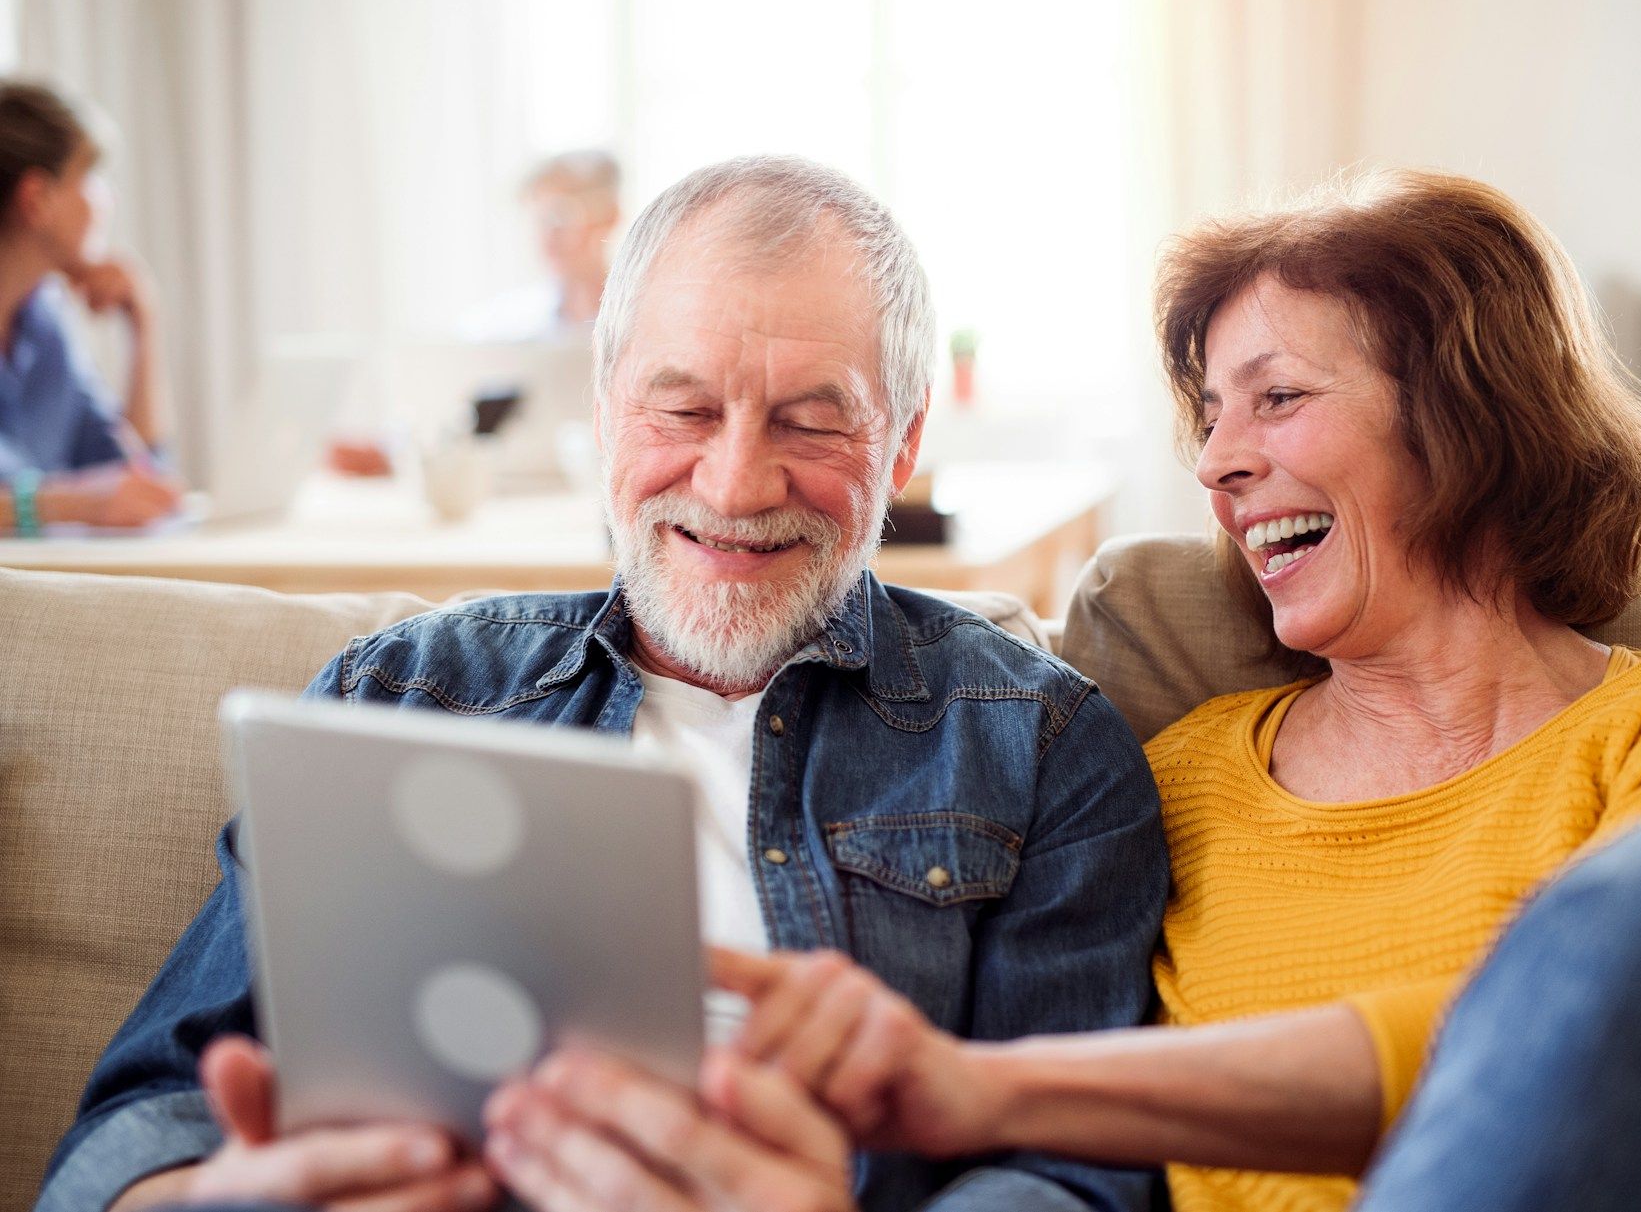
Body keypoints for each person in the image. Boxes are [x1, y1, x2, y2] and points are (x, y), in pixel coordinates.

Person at [697, 168, 1641, 1211]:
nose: (1219, 462)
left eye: (1277, 397)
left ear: (1471, 419)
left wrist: (979, 1086)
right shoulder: (1162, 778)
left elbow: (1579, 1054)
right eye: (1213, 417)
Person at [35, 156, 1168, 1212]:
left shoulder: (1040, 742)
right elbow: (136, 1118)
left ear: (904, 441)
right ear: (604, 407)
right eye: (681, 410)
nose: (732, 482)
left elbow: (1077, 1170)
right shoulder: (407, 695)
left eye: (811, 420)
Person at [0, 79, 182, 533]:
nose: (107, 199)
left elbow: (140, 477)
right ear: (37, 199)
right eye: (91, 177)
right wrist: (70, 505)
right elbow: (94, 499)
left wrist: (144, 325)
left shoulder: (45, 326)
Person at [462, 149, 625, 343]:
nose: (548, 236)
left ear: (610, 215)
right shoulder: (496, 328)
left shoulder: (640, 316)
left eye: (561, 215)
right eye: (538, 218)